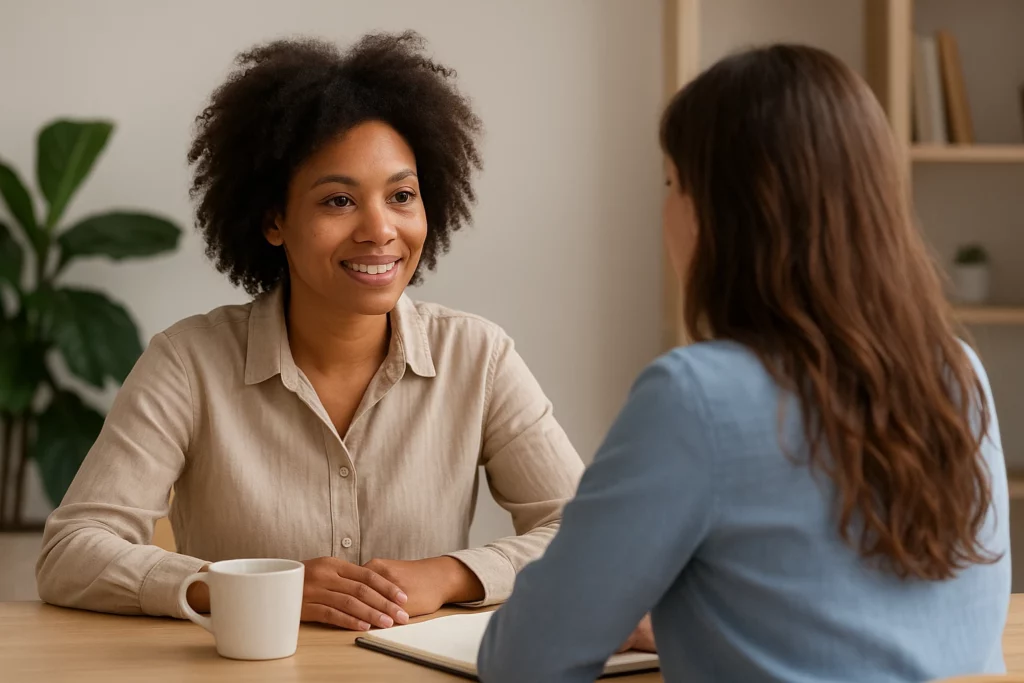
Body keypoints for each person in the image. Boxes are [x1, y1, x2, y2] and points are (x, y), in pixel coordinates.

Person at [478, 44, 1010, 683]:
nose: (665, 211)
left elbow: (524, 662)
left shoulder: (695, 395)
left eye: (672, 184)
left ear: (725, 213)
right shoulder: (957, 374)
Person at [35, 32, 588, 633]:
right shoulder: (188, 363)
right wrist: (246, 589)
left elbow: (591, 535)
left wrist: (453, 574)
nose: (380, 229)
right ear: (274, 220)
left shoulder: (478, 357)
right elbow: (71, 552)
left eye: (402, 195)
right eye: (338, 202)